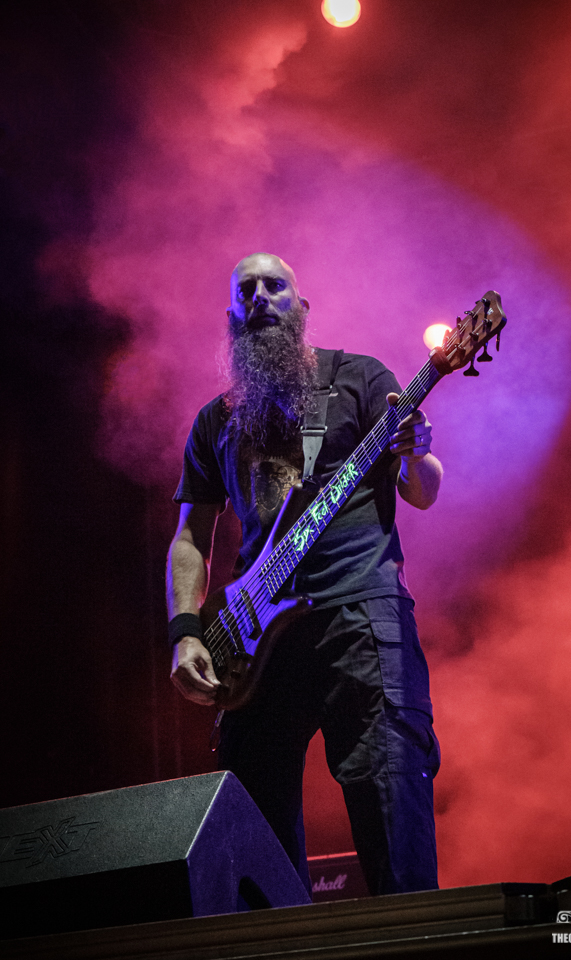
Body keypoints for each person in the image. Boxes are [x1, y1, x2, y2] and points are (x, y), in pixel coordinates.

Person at [167, 253, 443, 896]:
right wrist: (185, 631)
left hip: (360, 612)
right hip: (252, 638)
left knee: (390, 795)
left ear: (302, 307)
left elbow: (422, 491)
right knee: (251, 827)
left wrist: (416, 455)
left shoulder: (361, 378)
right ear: (231, 317)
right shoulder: (215, 420)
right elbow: (190, 537)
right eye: (246, 290)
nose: (260, 297)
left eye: (275, 286)